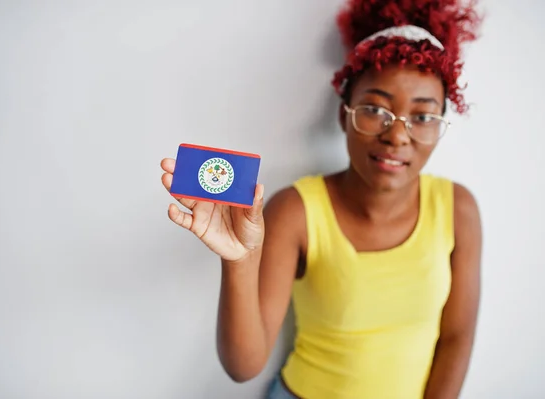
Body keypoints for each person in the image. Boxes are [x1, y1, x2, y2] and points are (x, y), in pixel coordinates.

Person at [160, 0, 483, 397]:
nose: (397, 136)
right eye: (374, 109)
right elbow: (244, 367)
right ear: (343, 114)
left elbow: (457, 338)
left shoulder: (458, 209)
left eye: (422, 117)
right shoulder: (295, 210)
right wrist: (239, 261)